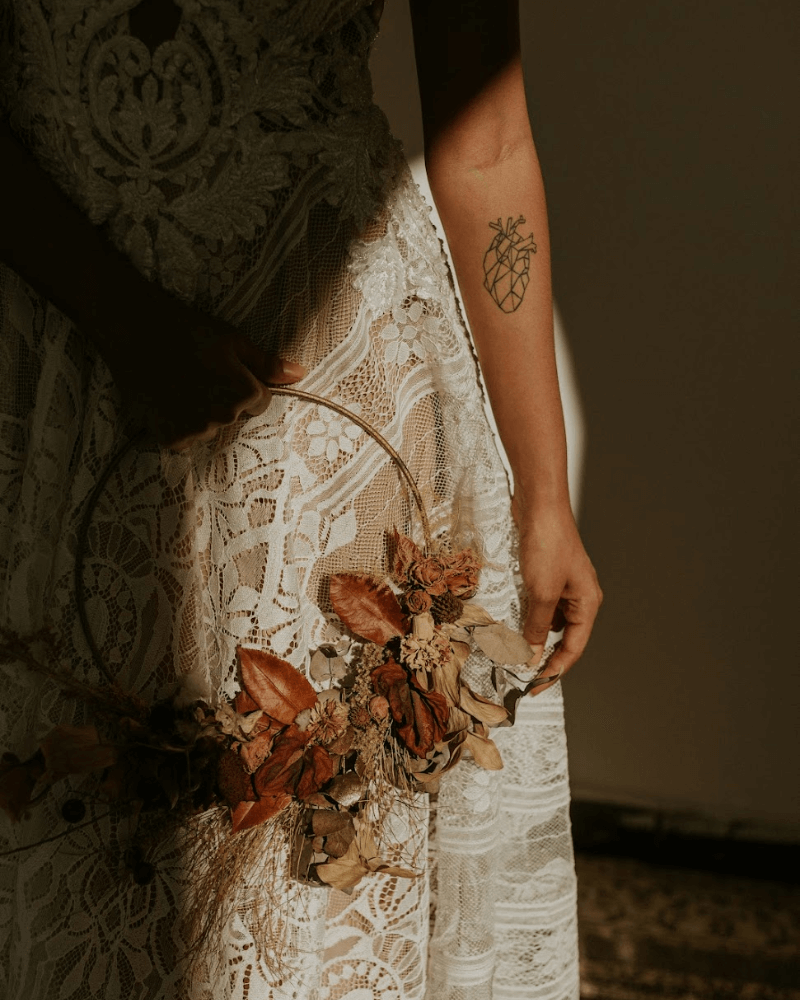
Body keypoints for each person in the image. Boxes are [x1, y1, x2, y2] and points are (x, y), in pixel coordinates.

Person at [0, 1, 602, 997]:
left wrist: (545, 493)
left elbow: (486, 141)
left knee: (309, 862)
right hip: (47, 360)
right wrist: (122, 319)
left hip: (329, 414)